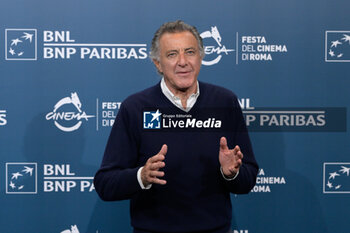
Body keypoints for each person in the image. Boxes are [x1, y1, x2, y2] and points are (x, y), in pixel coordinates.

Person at [94, 20, 258, 233]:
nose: (183, 62)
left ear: (201, 57)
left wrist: (230, 173)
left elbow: (248, 178)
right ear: (157, 63)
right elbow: (105, 184)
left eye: (190, 52)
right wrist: (141, 176)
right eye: (172, 54)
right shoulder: (135, 108)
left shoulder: (225, 102)